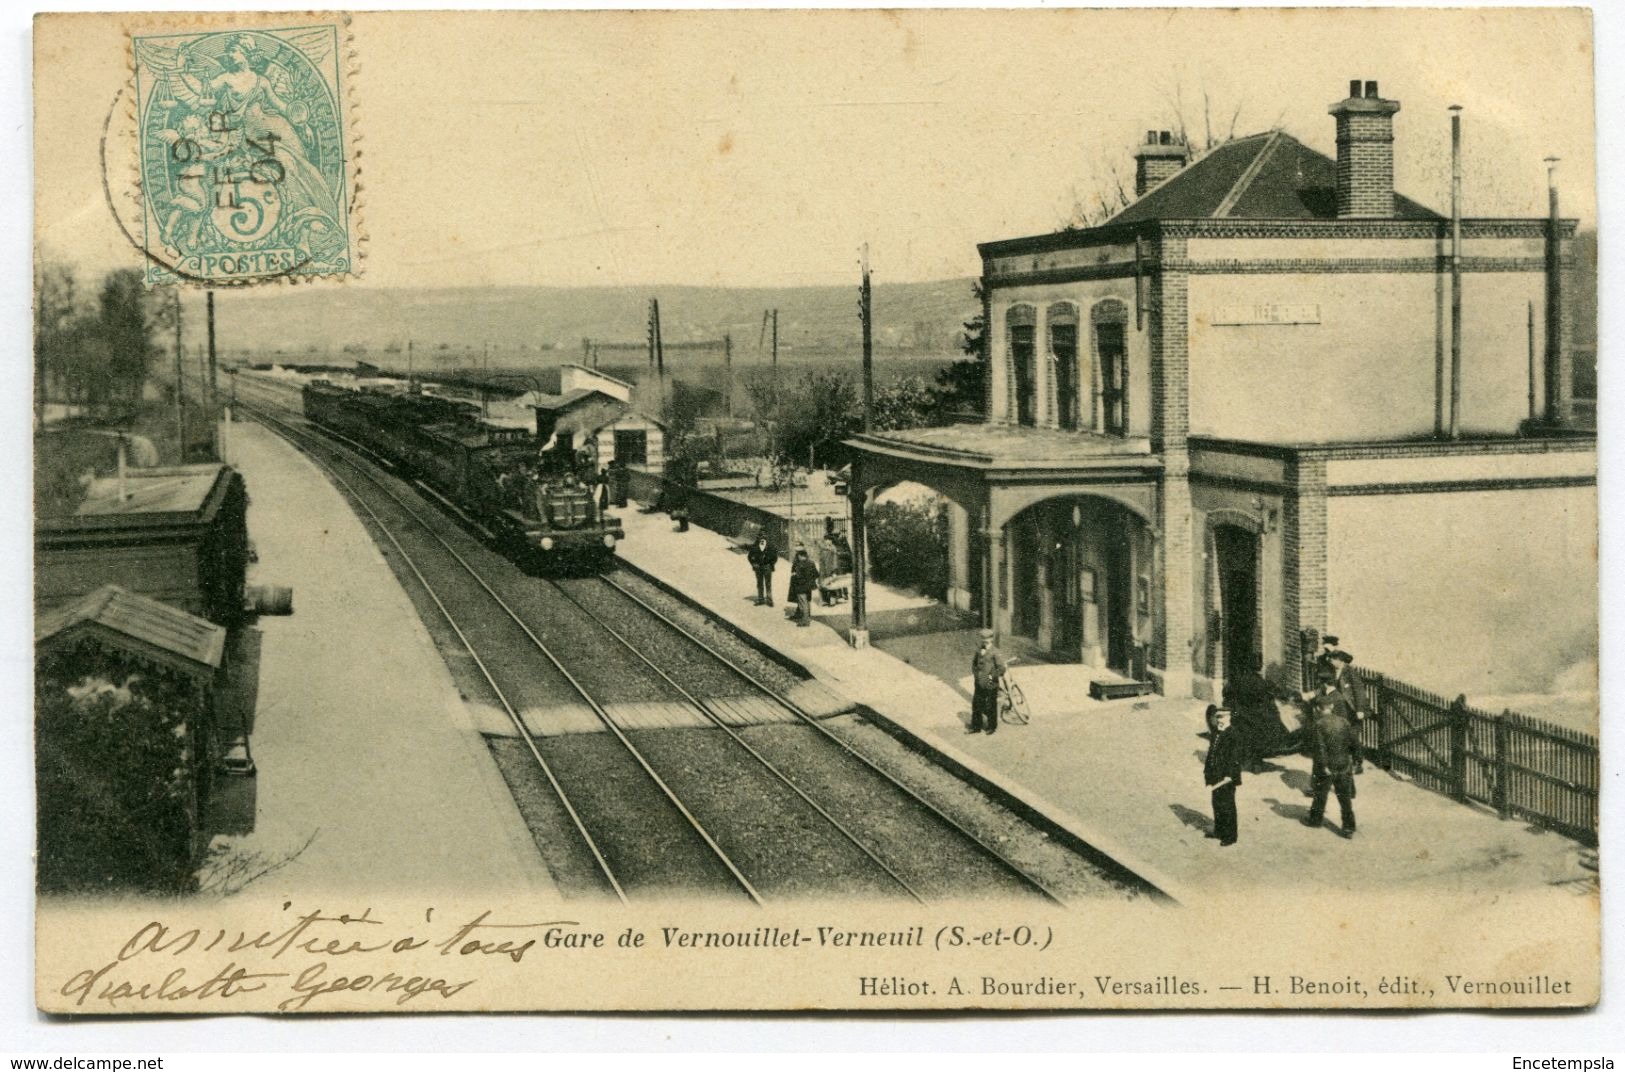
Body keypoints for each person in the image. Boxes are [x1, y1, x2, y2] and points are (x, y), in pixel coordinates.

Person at [1303, 667, 1359, 838]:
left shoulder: (1319, 725)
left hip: (1327, 765)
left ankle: (1315, 820)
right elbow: (1355, 743)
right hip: (1343, 763)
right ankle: (1348, 828)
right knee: (1345, 799)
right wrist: (1356, 761)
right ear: (1332, 706)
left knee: (1320, 795)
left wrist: (1324, 765)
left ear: (1320, 709)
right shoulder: (1344, 722)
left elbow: (1320, 748)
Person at [1223, 654, 1294, 770]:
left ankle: (1247, 759)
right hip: (1257, 717)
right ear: (1259, 667)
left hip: (1240, 714)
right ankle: (1257, 762)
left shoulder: (1237, 679)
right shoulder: (1261, 682)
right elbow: (1276, 693)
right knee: (1271, 724)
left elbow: (1226, 693)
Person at [1203, 706, 1244, 846]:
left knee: (1227, 805)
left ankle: (1230, 836)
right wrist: (1207, 776)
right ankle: (1219, 831)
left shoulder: (1234, 734)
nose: (1220, 720)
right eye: (1218, 717)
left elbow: (1235, 757)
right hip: (1215, 776)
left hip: (1227, 778)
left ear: (1229, 718)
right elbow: (1211, 755)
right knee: (1217, 804)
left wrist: (1229, 775)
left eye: (1223, 717)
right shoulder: (1216, 733)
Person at [969, 628, 1008, 736]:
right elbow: (974, 664)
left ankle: (991, 727)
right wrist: (976, 675)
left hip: (991, 682)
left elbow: (1001, 668)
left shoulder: (995, 652)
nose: (984, 642)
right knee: (976, 704)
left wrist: (992, 675)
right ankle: (976, 726)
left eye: (987, 640)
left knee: (991, 705)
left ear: (991, 640)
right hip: (979, 681)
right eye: (982, 640)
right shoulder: (978, 650)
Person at [788, 547, 821, 626]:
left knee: (803, 603)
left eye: (798, 555)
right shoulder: (811, 563)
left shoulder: (800, 564)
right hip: (809, 587)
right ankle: (807, 618)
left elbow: (798, 576)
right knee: (807, 602)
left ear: (800, 555)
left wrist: (795, 575)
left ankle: (805, 621)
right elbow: (816, 574)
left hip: (801, 586)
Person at [747, 535, 777, 606]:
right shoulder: (755, 546)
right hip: (758, 567)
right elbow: (749, 556)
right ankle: (761, 599)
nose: (762, 538)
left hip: (767, 567)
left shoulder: (770, 546)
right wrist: (753, 563)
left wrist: (771, 564)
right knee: (759, 583)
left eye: (764, 537)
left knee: (768, 584)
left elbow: (775, 557)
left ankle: (769, 600)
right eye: (761, 537)